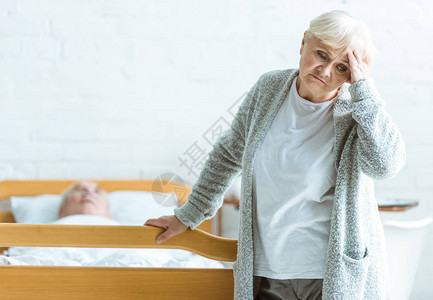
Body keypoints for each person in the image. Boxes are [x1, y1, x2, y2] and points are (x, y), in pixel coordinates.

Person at [145, 10, 406, 300]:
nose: (326, 71)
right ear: (304, 41)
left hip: (329, 275)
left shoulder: (356, 111)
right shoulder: (269, 89)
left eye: (342, 68)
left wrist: (364, 93)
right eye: (321, 54)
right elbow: (227, 154)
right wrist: (190, 214)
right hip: (267, 272)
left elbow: (385, 166)